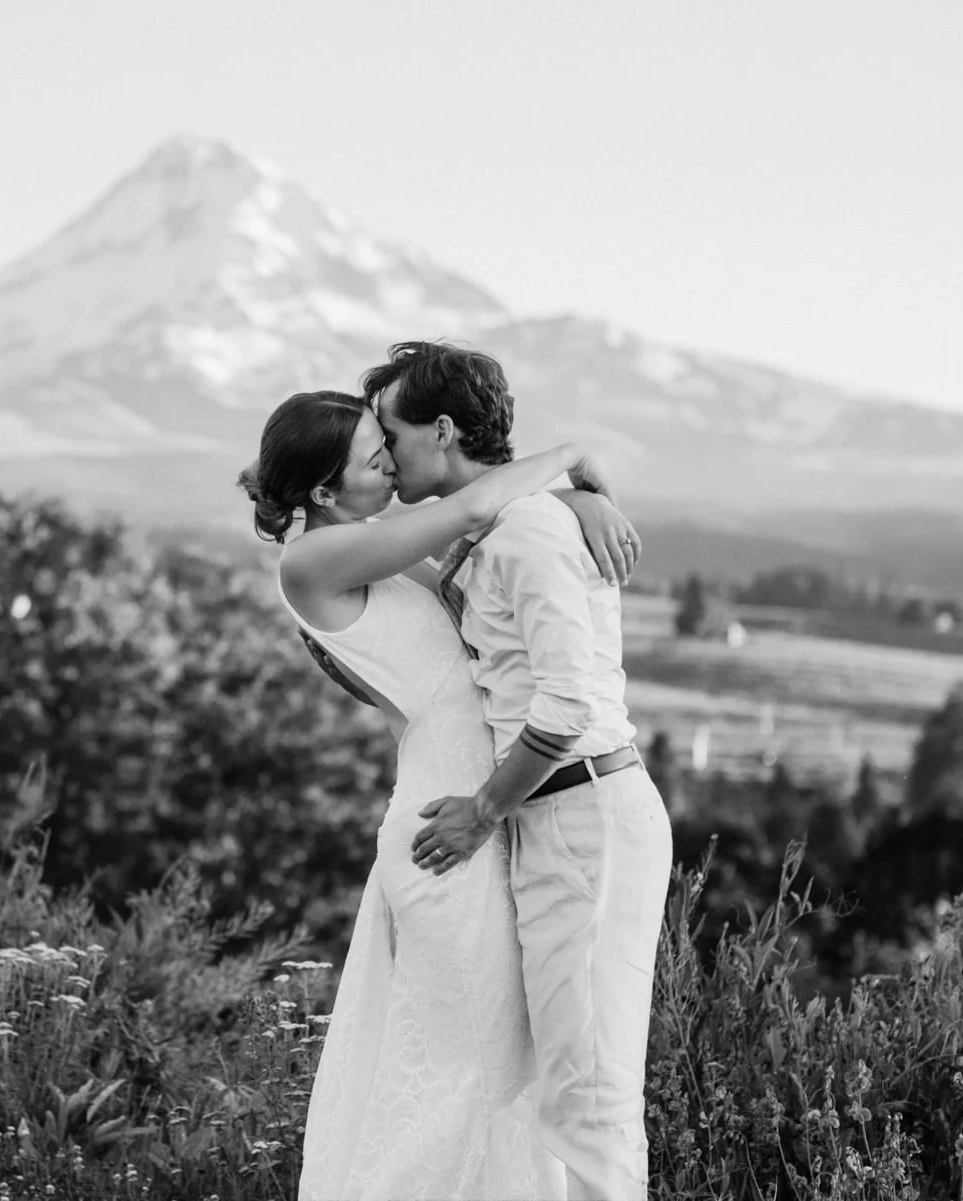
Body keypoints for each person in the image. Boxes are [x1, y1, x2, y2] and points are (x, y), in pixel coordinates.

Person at [238, 388, 638, 1200]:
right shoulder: (312, 561)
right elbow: (468, 510)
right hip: (446, 830)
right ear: (322, 489)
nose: (389, 456)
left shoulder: (373, 543)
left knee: (504, 1068)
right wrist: (571, 457)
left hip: (481, 817)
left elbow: (480, 547)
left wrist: (571, 504)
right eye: (371, 451)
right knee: (475, 1073)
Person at [370, 341, 673, 1201]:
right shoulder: (502, 525)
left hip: (587, 816)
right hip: (555, 817)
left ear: (441, 429)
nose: (386, 457)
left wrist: (481, 811)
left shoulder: (532, 530)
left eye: (391, 435)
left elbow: (569, 704)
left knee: (592, 1095)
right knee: (565, 1086)